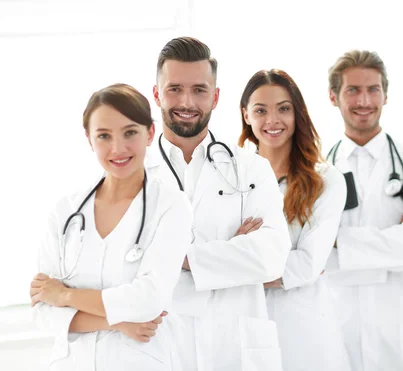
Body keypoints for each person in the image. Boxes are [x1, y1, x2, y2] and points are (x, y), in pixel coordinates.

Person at [146, 37, 291, 371]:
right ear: (156, 94)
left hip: (236, 346)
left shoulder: (250, 167)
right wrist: (233, 252)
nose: (186, 101)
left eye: (199, 89)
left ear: (215, 96)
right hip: (162, 344)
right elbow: (123, 265)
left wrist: (179, 258)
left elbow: (272, 256)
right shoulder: (134, 174)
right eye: (174, 89)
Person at [30, 83, 192, 371]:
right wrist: (117, 321)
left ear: (149, 133)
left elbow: (149, 300)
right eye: (104, 136)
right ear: (90, 139)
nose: (118, 149)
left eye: (130, 132)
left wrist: (65, 295)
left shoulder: (170, 205)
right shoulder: (65, 211)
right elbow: (43, 311)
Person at [324, 50, 403, 370]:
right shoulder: (315, 171)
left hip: (401, 331)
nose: (364, 100)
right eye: (353, 90)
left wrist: (337, 241)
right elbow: (309, 252)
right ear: (334, 97)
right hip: (337, 325)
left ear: (386, 95)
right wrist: (392, 240)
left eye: (373, 89)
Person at [238, 69, 351, 371]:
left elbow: (307, 265)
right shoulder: (230, 178)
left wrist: (234, 262)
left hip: (304, 332)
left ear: (297, 113)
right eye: (261, 110)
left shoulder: (325, 181)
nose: (273, 120)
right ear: (246, 115)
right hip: (241, 324)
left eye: (284, 109)